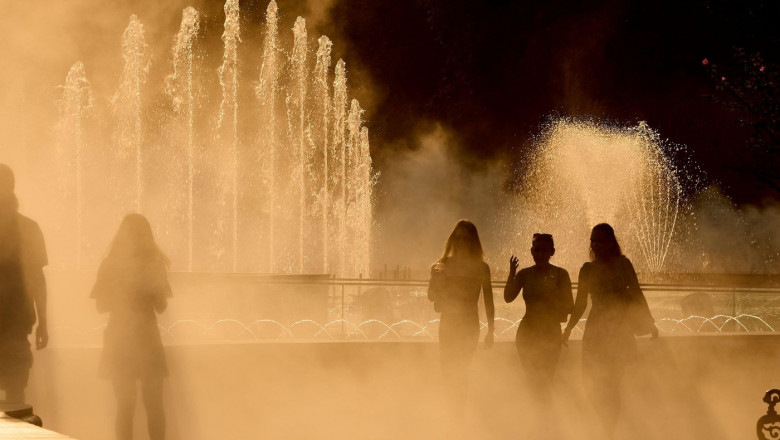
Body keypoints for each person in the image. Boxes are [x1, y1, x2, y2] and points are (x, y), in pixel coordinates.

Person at [562, 223, 658, 437]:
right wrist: (568, 328)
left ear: (611, 242)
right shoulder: (587, 269)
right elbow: (580, 304)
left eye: (600, 240)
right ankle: (606, 426)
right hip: (596, 328)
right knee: (590, 383)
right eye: (592, 240)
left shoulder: (623, 264)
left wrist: (648, 322)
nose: (595, 244)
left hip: (619, 329)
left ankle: (608, 431)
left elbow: (636, 293)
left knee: (611, 385)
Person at [91, 214, 171, 440]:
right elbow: (162, 307)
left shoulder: (110, 264)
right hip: (147, 337)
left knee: (125, 406)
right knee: (153, 405)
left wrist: (122, 296)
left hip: (119, 338)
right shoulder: (154, 264)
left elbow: (100, 306)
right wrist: (145, 291)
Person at [428, 219, 494, 409]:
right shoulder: (441, 265)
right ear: (452, 240)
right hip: (448, 323)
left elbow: (488, 300)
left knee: (460, 369)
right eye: (458, 238)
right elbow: (431, 297)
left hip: (469, 325)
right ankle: (453, 410)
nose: (461, 242)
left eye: (466, 239)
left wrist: (491, 330)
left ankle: (458, 413)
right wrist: (438, 283)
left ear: (473, 242)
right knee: (447, 369)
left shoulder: (481, 268)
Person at [504, 233, 573, 402]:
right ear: (531, 251)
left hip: (550, 332)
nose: (540, 255)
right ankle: (536, 415)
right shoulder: (524, 274)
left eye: (544, 251)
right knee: (531, 378)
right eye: (537, 250)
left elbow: (570, 305)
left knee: (547, 378)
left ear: (552, 252)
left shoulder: (560, 274)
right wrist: (511, 273)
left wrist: (551, 298)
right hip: (527, 333)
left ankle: (544, 417)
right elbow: (508, 297)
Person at [0, 164, 48, 404]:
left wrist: (44, 323)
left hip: (17, 324)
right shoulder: (29, 228)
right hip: (18, 322)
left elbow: (37, 279)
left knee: (17, 391)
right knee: (16, 393)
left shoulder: (29, 229)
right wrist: (43, 323)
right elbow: (37, 280)